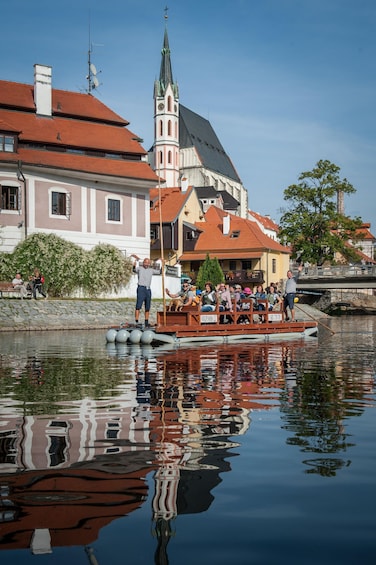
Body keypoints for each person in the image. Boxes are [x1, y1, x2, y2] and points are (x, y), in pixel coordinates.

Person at [131, 255, 161, 327]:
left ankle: (146, 321)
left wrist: (162, 264)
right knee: (138, 305)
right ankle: (137, 320)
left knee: (147, 306)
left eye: (148, 263)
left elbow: (159, 272)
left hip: (148, 289)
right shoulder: (140, 269)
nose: (146, 264)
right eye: (145, 262)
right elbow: (134, 270)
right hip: (141, 288)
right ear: (143, 263)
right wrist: (134, 264)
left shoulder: (151, 270)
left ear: (149, 264)